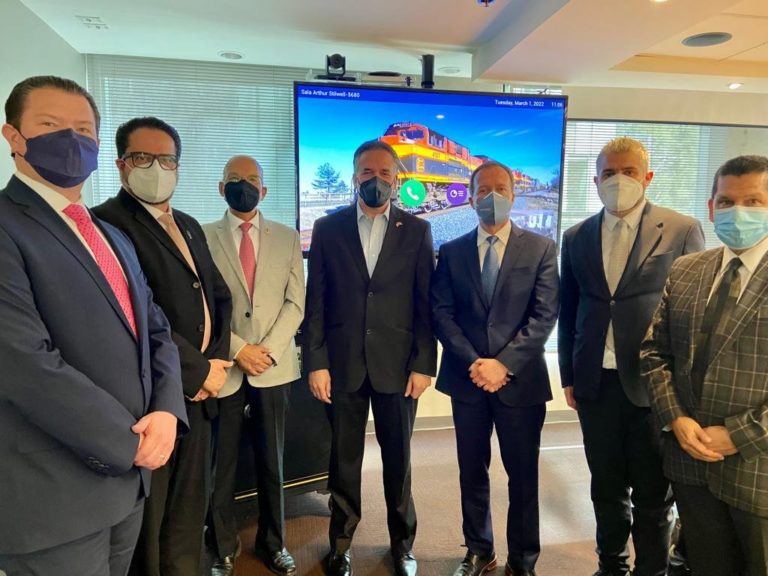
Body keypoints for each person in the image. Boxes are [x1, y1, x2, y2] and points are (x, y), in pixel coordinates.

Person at [0, 76, 187, 576]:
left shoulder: (109, 236)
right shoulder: (6, 226)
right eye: (50, 124)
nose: (71, 138)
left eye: (83, 129)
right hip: (53, 496)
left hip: (126, 488)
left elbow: (156, 331)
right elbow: (23, 363)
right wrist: (130, 444)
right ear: (13, 136)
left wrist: (167, 411)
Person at [92, 117, 233, 576]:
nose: (156, 168)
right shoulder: (104, 224)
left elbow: (219, 296)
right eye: (143, 157)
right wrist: (197, 373)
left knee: (189, 514)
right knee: (150, 525)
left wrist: (215, 365)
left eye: (167, 159)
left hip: (202, 396)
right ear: (121, 164)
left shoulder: (188, 224)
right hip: (152, 400)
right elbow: (135, 313)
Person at [558, 137, 704, 576]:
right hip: (594, 383)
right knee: (605, 487)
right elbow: (569, 310)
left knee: (653, 494)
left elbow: (693, 313)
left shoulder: (681, 229)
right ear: (595, 179)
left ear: (647, 177)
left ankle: (652, 570)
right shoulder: (576, 236)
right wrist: (568, 375)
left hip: (654, 385)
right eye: (608, 173)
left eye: (628, 172)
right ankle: (611, 566)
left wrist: (686, 388)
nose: (617, 180)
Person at [304, 140, 437, 576]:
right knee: (343, 462)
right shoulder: (328, 228)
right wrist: (317, 362)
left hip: (398, 368)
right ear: (354, 176)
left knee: (399, 461)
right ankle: (341, 544)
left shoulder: (417, 231)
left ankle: (403, 545)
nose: (375, 180)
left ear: (396, 180)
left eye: (384, 173)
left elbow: (425, 304)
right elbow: (316, 301)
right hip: (342, 365)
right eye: (367, 172)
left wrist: (423, 364)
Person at [641, 155, 768, 576]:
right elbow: (655, 352)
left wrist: (738, 435)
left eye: (754, 201)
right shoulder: (687, 270)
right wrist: (676, 418)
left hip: (758, 469)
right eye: (727, 201)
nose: (738, 212)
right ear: (711, 208)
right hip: (690, 462)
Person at [432, 161, 559, 576]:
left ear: (513, 193)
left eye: (500, 188)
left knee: (522, 475)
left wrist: (503, 364)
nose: (491, 197)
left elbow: (544, 315)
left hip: (520, 383)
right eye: (482, 190)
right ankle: (478, 550)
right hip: (467, 379)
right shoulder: (451, 251)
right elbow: (442, 313)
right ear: (470, 198)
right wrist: (475, 363)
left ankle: (522, 560)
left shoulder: (541, 248)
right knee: (472, 471)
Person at [203, 155, 305, 576]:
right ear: (220, 187)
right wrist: (239, 349)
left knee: (272, 461)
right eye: (234, 179)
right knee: (221, 464)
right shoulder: (200, 236)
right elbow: (201, 306)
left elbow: (295, 303)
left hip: (273, 367)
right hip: (223, 368)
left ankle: (274, 543)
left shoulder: (288, 237)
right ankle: (222, 546)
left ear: (263, 190)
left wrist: (268, 350)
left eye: (250, 180)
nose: (242, 185)